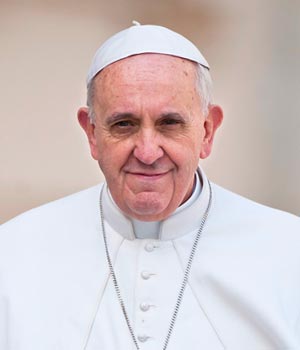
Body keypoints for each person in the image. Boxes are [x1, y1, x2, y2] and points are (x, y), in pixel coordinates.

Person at [0, 22, 299, 350]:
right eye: (123, 124)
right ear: (91, 133)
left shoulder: (289, 253)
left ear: (208, 131)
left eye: (170, 123)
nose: (146, 152)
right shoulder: (13, 254)